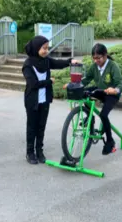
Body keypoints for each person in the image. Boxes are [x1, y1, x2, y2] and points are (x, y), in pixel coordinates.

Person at [22, 35, 79, 165]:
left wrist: (71, 61)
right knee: (32, 127)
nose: (46, 51)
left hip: (45, 100)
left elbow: (58, 63)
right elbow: (33, 84)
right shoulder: (28, 64)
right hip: (32, 101)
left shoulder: (46, 61)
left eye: (47, 48)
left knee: (41, 127)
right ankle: (30, 153)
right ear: (36, 48)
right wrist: (49, 81)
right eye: (44, 48)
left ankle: (39, 151)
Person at [66, 43, 122, 155]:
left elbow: (121, 82)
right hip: (100, 90)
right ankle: (90, 117)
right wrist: (72, 84)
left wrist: (115, 89)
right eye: (94, 58)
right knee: (84, 93)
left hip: (111, 94)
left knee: (103, 115)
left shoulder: (113, 66)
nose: (96, 61)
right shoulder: (94, 67)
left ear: (105, 55)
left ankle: (110, 141)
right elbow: (86, 79)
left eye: (98, 58)